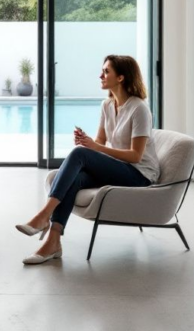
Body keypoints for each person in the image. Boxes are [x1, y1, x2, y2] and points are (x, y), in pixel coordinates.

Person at [16, 55, 157, 265]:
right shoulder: (107, 105)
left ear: (121, 77)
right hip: (119, 168)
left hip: (139, 174)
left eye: (106, 71)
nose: (101, 75)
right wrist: (88, 142)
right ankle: (53, 242)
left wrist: (92, 148)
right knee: (77, 177)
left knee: (80, 154)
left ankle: (45, 214)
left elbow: (135, 156)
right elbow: (100, 141)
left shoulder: (139, 109)